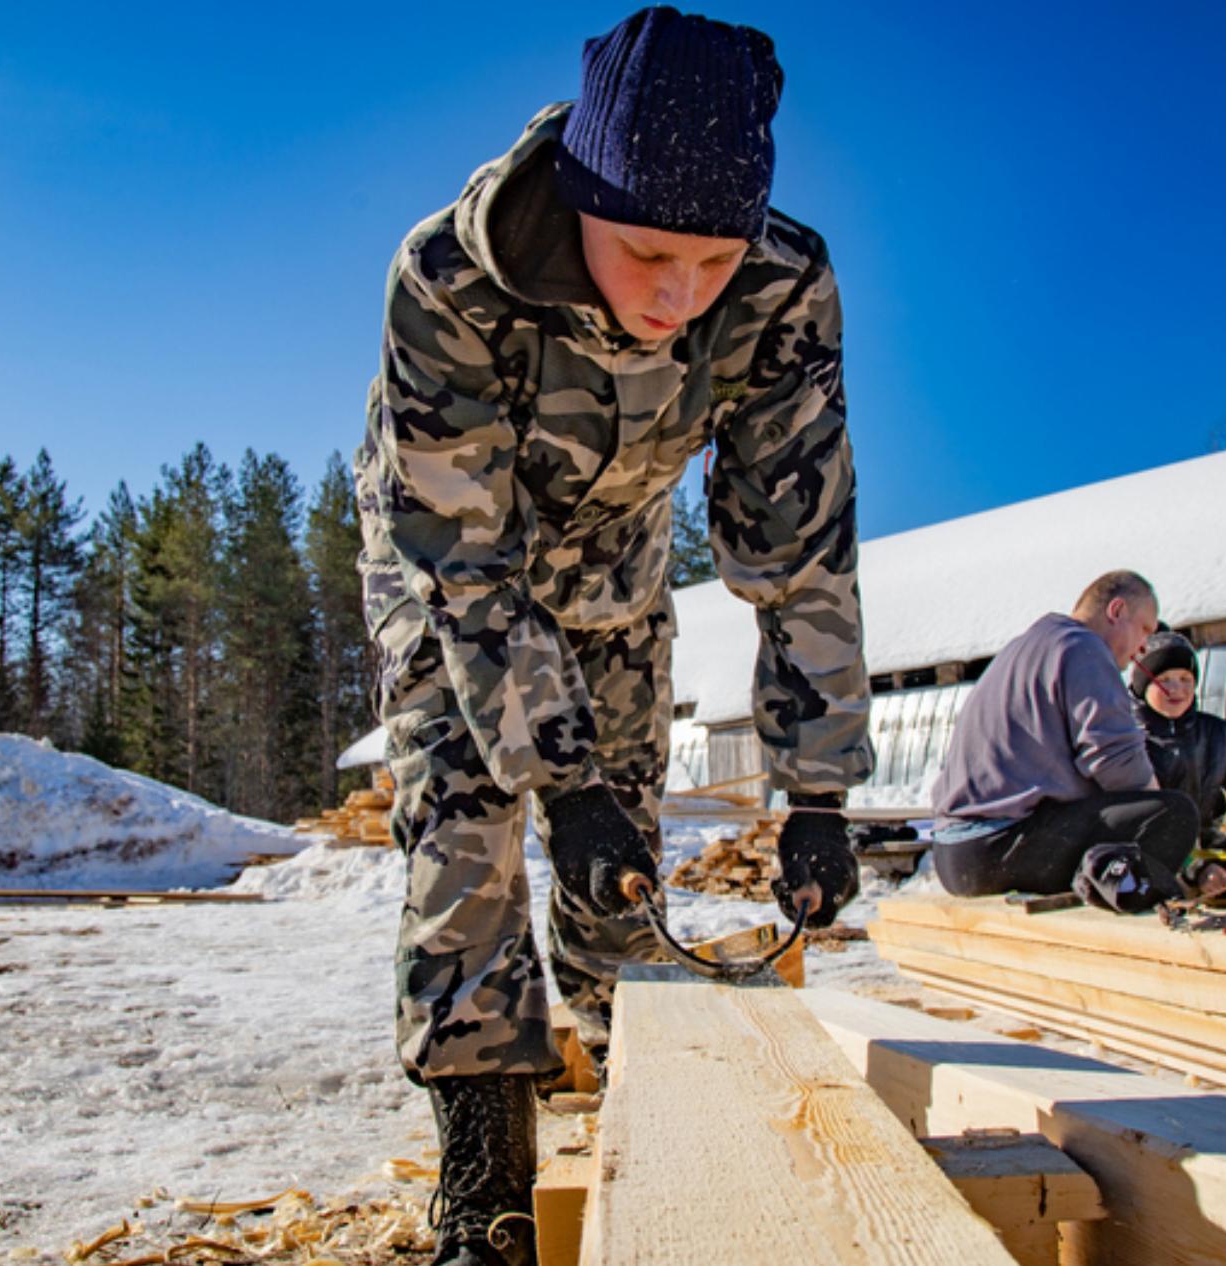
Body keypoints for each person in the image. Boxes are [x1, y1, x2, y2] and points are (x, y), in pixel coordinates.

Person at [354, 10, 873, 1264]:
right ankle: (484, 1175)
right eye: (647, 254)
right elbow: (466, 567)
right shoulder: (449, 278)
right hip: (448, 570)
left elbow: (797, 546)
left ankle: (644, 1087)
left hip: (617, 576)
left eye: (710, 261)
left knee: (618, 855)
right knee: (465, 829)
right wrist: (558, 772)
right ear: (583, 192)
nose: (677, 297)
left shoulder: (780, 291)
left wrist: (815, 793)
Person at [930, 571, 1199, 909]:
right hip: (995, 848)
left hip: (956, 852)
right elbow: (1115, 759)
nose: (1144, 645)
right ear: (1116, 611)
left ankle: (1107, 884)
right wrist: (1158, 816)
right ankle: (1117, 903)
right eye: (1145, 628)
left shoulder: (1029, 646)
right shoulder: (1083, 647)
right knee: (1173, 815)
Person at [1128, 629, 1226, 893]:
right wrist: (1195, 869)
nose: (1177, 689)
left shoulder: (1217, 735)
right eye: (1165, 679)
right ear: (1141, 683)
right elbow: (1138, 824)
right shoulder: (1126, 741)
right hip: (1148, 860)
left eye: (1185, 678)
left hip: (1209, 853)